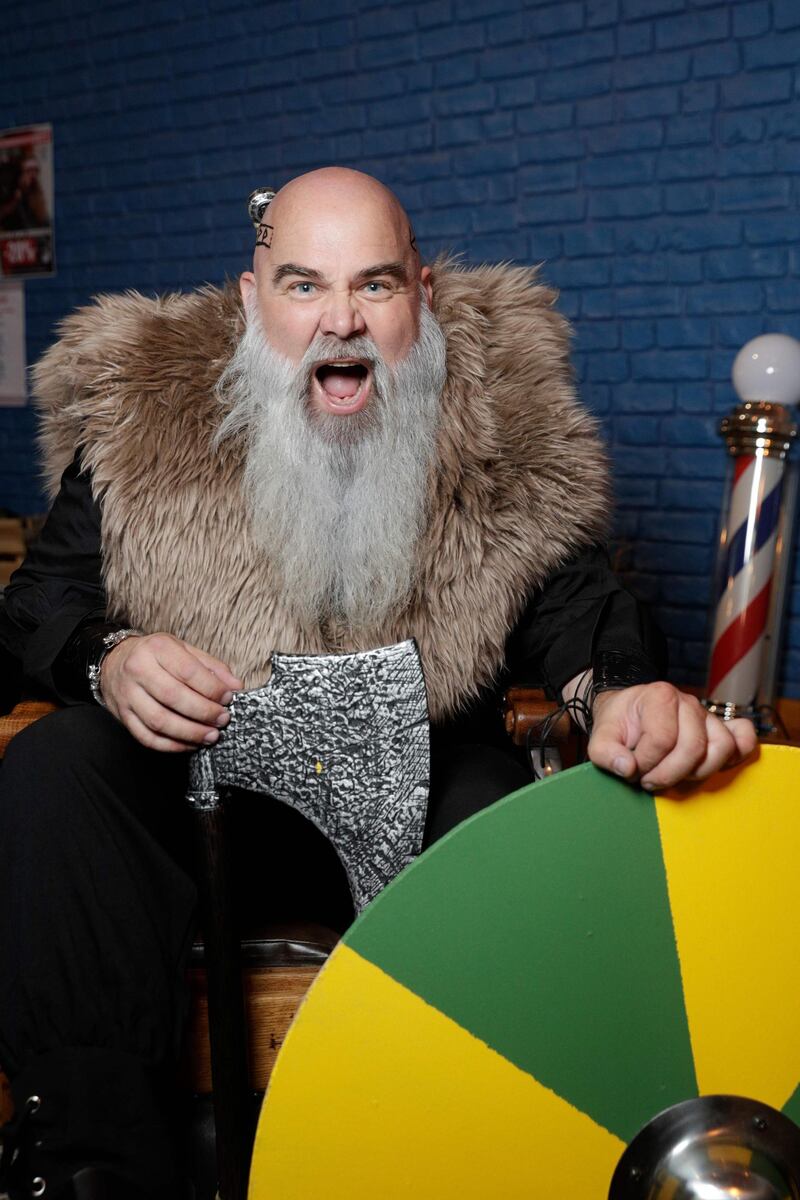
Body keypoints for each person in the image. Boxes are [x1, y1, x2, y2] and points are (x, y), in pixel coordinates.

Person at [0, 168, 756, 1199]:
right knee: (55, 767)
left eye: (376, 285)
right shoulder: (144, 426)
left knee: (497, 802)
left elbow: (572, 606)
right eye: (304, 285)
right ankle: (94, 1171)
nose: (340, 322)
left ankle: (465, 1161)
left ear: (424, 295)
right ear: (251, 297)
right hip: (201, 795)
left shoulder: (495, 418)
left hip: (425, 797)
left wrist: (611, 694)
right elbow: (35, 606)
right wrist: (109, 659)